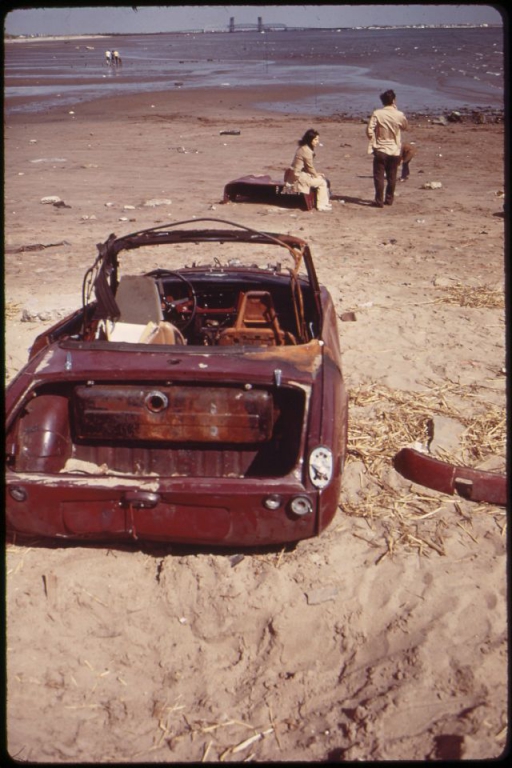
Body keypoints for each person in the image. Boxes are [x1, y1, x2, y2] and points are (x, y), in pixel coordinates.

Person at [366, 89, 408, 207]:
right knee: (392, 176)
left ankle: (379, 201)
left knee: (379, 176)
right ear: (394, 100)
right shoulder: (399, 114)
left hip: (380, 148)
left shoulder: (377, 113)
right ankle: (389, 199)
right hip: (394, 149)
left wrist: (373, 141)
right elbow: (405, 126)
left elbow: (369, 130)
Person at [285, 129, 332, 211]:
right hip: (298, 178)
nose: (317, 142)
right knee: (322, 182)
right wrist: (316, 174)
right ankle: (321, 205)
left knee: (321, 179)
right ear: (310, 140)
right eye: (315, 139)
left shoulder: (304, 148)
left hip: (297, 174)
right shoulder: (306, 151)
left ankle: (325, 203)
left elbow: (308, 167)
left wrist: (316, 174)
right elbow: (309, 167)